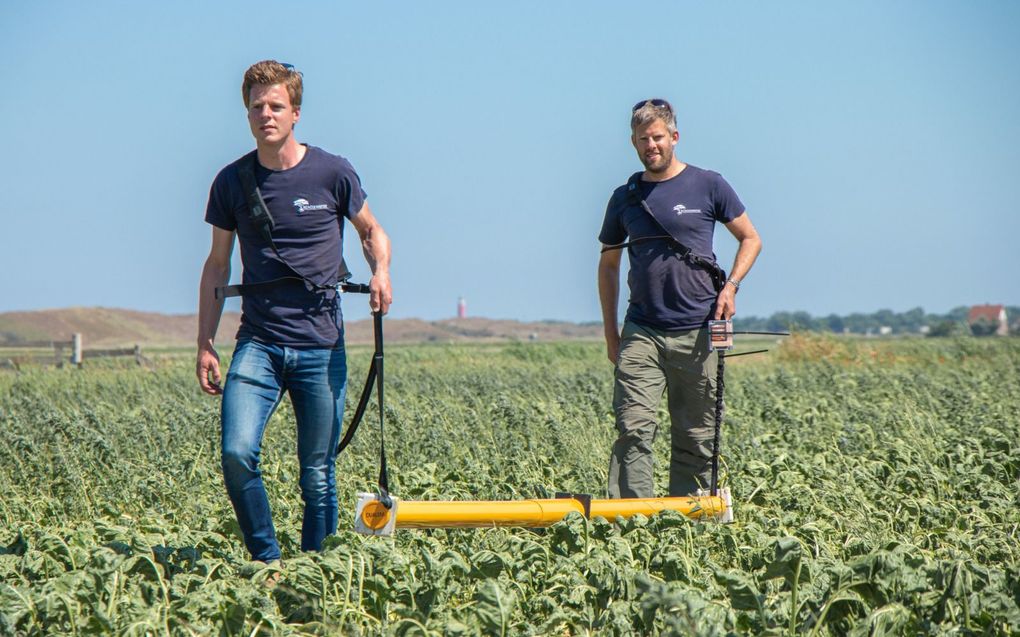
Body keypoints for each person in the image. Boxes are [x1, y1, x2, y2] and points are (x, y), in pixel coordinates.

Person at [196, 60, 392, 563]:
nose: (266, 114)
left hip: (321, 344)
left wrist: (381, 272)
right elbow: (217, 265)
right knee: (237, 453)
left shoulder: (332, 171)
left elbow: (371, 231)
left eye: (276, 106)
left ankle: (316, 570)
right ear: (247, 112)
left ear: (296, 113)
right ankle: (268, 563)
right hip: (257, 343)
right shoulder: (231, 182)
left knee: (318, 473)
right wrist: (205, 343)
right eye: (257, 106)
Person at [597, 98, 760, 498]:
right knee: (633, 428)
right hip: (642, 331)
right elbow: (608, 267)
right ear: (633, 144)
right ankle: (632, 524)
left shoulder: (709, 184)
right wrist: (610, 335)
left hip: (699, 330)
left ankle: (686, 526)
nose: (650, 145)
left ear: (674, 136)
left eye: (657, 137)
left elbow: (751, 239)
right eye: (642, 139)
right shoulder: (624, 197)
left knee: (697, 435)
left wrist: (732, 286)